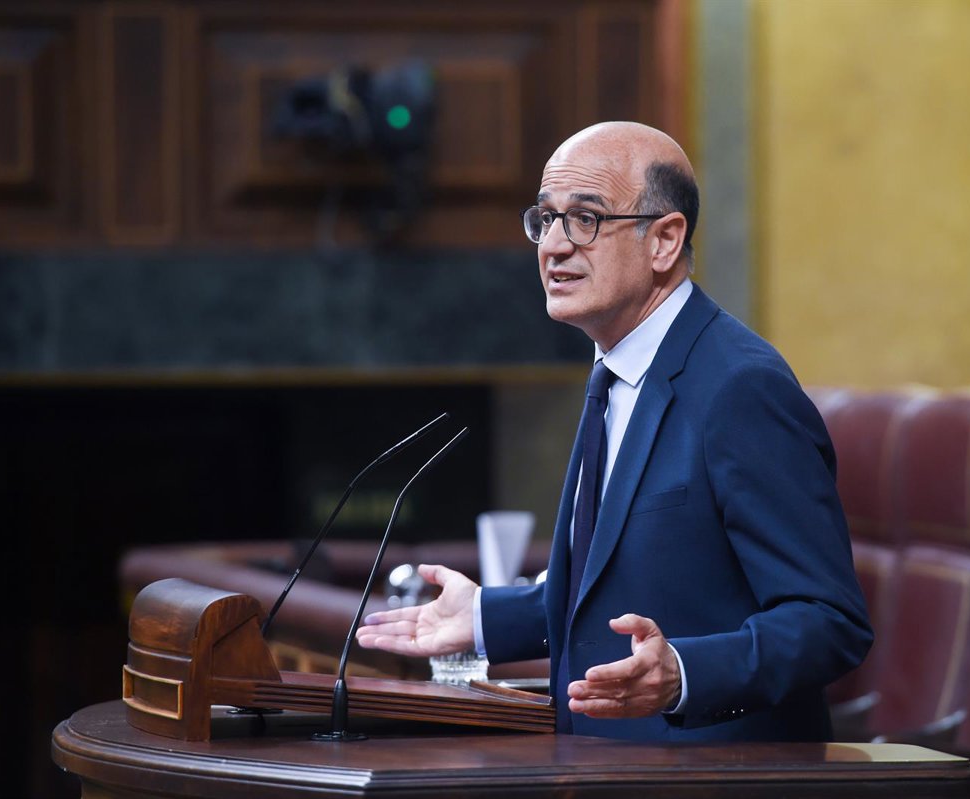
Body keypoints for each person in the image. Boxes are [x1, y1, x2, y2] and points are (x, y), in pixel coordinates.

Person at [357, 121, 872, 742]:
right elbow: (634, 584)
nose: (554, 246)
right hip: (596, 767)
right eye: (545, 219)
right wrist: (488, 617)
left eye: (586, 219)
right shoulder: (615, 371)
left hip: (712, 778)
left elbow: (829, 620)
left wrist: (683, 674)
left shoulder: (741, 388)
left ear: (664, 241)